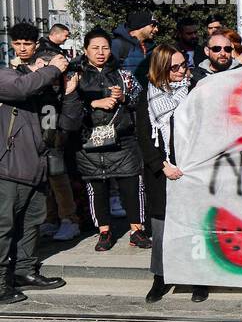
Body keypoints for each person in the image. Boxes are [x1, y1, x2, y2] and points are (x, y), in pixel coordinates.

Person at [64, 28, 149, 252]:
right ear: (85, 50)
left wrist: (124, 97)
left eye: (105, 48)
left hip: (123, 140)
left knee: (131, 185)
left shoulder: (123, 74)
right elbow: (65, 107)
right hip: (89, 142)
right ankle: (104, 232)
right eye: (95, 48)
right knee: (97, 188)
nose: (101, 52)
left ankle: (136, 230)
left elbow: (140, 100)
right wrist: (92, 104)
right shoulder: (74, 75)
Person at [0, 45, 73, 302]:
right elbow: (22, 88)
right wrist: (53, 68)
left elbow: (58, 124)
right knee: (4, 226)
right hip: (8, 168)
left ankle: (24, 272)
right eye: (46, 66)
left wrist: (67, 92)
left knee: (32, 222)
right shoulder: (7, 76)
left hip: (36, 167)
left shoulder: (43, 90)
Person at [136, 45, 207, 303]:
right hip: (162, 172)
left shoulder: (195, 89)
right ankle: (160, 277)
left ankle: (199, 278)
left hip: (192, 170)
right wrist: (161, 165)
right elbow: (144, 136)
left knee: (195, 226)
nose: (180, 71)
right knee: (162, 229)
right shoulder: (147, 97)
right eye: (173, 67)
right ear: (161, 68)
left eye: (183, 65)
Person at [11, 25, 79, 243]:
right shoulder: (14, 68)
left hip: (51, 124)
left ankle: (69, 219)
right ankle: (50, 218)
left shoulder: (49, 59)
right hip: (27, 129)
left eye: (27, 44)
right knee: (41, 179)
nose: (22, 48)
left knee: (56, 172)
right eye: (18, 44)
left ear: (36, 44)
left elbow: (66, 85)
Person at [110, 9, 157, 78]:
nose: (156, 29)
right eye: (152, 26)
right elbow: (107, 72)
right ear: (141, 25)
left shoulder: (152, 48)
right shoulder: (117, 45)